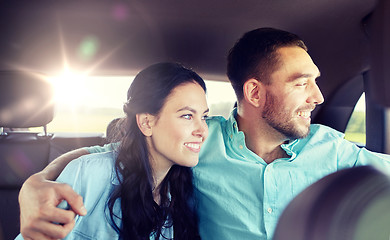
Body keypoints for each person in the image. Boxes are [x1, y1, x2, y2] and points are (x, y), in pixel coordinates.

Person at [17, 27, 390, 240]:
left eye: (202, 115)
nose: (317, 96)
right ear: (255, 92)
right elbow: (112, 154)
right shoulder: (196, 143)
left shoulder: (334, 150)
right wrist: (34, 184)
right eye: (301, 83)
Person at [16, 62, 209, 240]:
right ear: (146, 122)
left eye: (204, 117)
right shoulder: (88, 175)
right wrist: (35, 181)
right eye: (187, 116)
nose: (203, 131)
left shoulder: (181, 190)